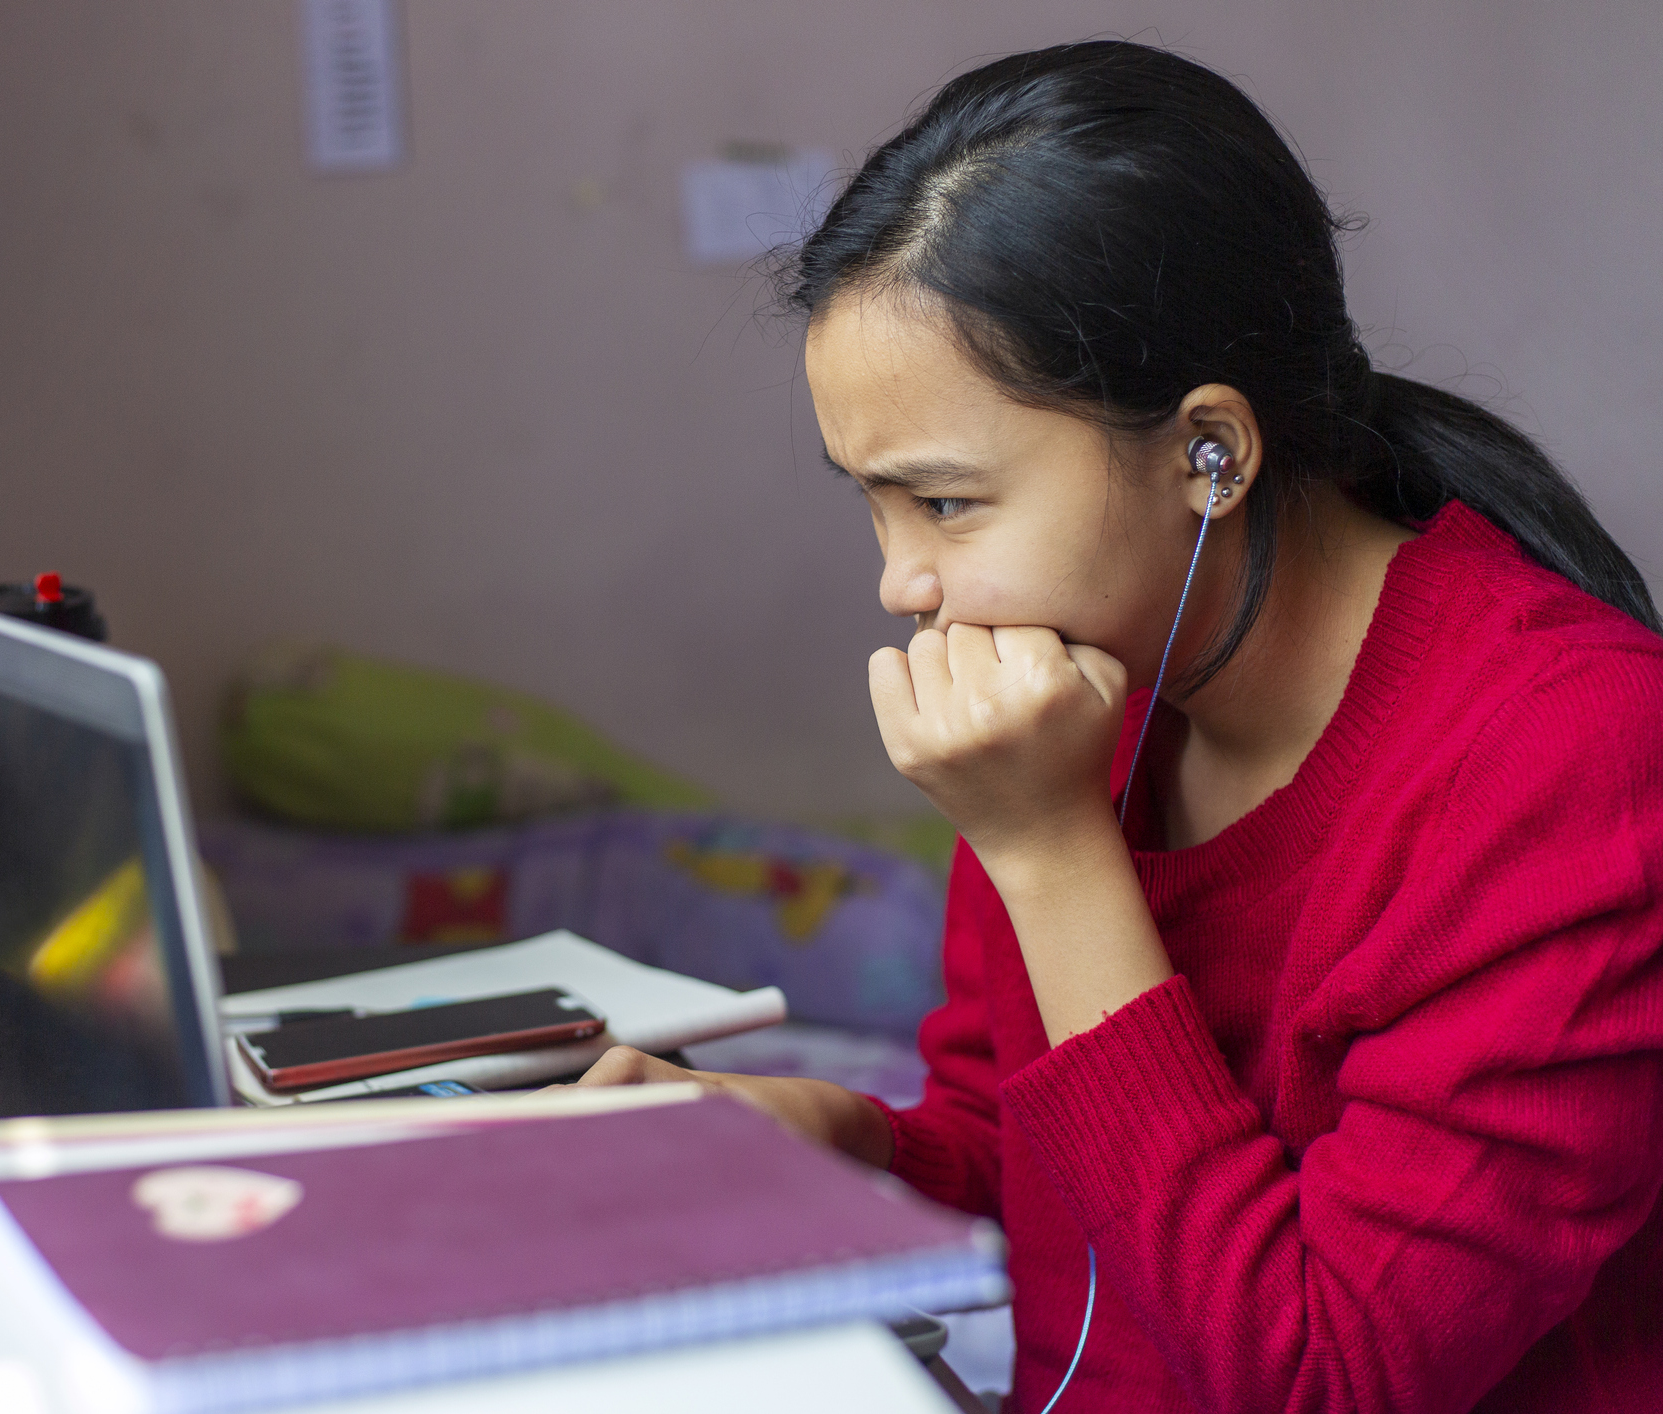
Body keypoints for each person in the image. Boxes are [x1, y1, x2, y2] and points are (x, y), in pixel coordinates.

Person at [576, 40, 1663, 1413]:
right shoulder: (1092, 685)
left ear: (1210, 452)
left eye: (945, 503)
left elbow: (1322, 1376)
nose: (900, 583)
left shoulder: (1573, 758)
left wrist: (1052, 851)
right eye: (871, 500)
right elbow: (1046, 1160)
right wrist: (836, 1131)